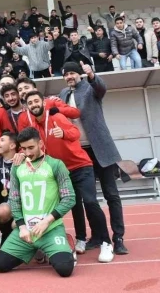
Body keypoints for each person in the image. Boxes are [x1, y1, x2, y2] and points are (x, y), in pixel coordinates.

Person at [18, 91, 114, 262]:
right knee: (73, 205)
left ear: (43, 102)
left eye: (36, 101)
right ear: (27, 107)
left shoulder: (56, 116)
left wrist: (63, 133)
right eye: (30, 103)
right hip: (62, 171)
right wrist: (20, 154)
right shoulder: (33, 127)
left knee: (90, 202)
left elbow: (75, 133)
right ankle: (81, 238)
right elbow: (29, 147)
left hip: (80, 166)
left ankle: (106, 242)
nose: (34, 105)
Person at [58, 62, 128, 255]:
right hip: (78, 153)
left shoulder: (90, 87)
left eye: (72, 73)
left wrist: (91, 75)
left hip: (100, 149)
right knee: (88, 198)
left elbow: (101, 88)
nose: (69, 76)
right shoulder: (62, 94)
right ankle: (97, 236)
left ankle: (118, 238)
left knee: (111, 194)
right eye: (66, 74)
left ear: (79, 74)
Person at [0, 127, 77, 278]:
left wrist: (47, 221)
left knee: (65, 269)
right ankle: (35, 248)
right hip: (27, 231)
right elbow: (14, 199)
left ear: (40, 143)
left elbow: (69, 198)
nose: (27, 153)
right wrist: (22, 227)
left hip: (50, 228)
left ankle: (65, 243)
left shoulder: (56, 164)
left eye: (31, 147)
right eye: (24, 148)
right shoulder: (17, 166)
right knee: (1, 265)